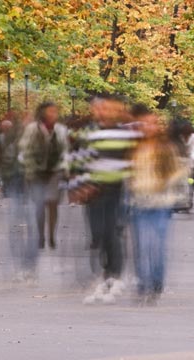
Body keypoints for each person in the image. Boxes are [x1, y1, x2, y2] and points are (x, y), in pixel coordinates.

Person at [69, 95, 140, 305]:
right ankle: (106, 273)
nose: (102, 112)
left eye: (107, 108)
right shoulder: (89, 133)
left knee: (112, 232)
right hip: (93, 191)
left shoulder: (124, 134)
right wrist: (78, 187)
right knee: (97, 234)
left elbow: (133, 160)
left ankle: (113, 275)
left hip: (116, 190)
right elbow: (77, 161)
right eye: (99, 108)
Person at [129, 110, 187, 304]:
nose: (148, 127)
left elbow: (179, 171)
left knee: (156, 244)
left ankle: (155, 281)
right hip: (139, 202)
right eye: (144, 123)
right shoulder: (135, 148)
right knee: (141, 245)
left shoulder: (166, 148)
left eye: (152, 123)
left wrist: (164, 183)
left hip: (161, 202)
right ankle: (143, 282)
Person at [19, 102, 69, 250]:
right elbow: (24, 150)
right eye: (50, 111)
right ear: (42, 113)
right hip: (36, 172)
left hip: (55, 172)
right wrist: (28, 169)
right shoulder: (32, 129)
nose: (53, 114)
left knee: (53, 204)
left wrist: (65, 169)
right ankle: (41, 236)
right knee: (39, 205)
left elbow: (65, 151)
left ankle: (52, 235)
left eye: (55, 111)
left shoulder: (61, 130)